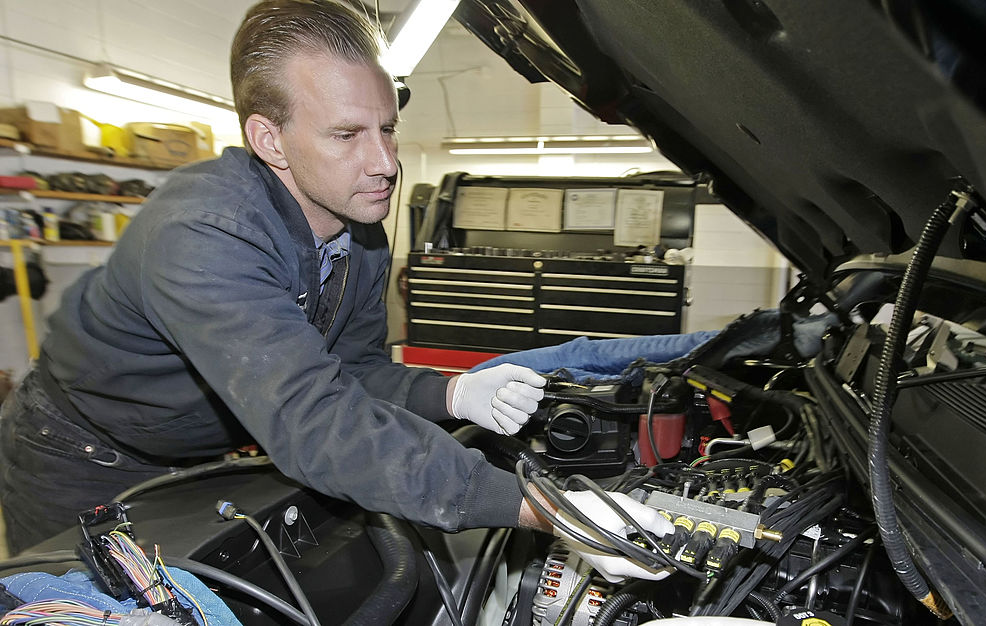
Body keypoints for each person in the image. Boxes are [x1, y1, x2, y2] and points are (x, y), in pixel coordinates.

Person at [0, 0, 672, 583]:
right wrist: (544, 509)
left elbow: (354, 371)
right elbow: (316, 420)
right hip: (79, 456)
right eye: (347, 134)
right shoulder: (205, 233)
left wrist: (451, 391)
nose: (384, 163)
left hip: (200, 449)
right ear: (271, 139)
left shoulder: (360, 230)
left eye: (387, 128)